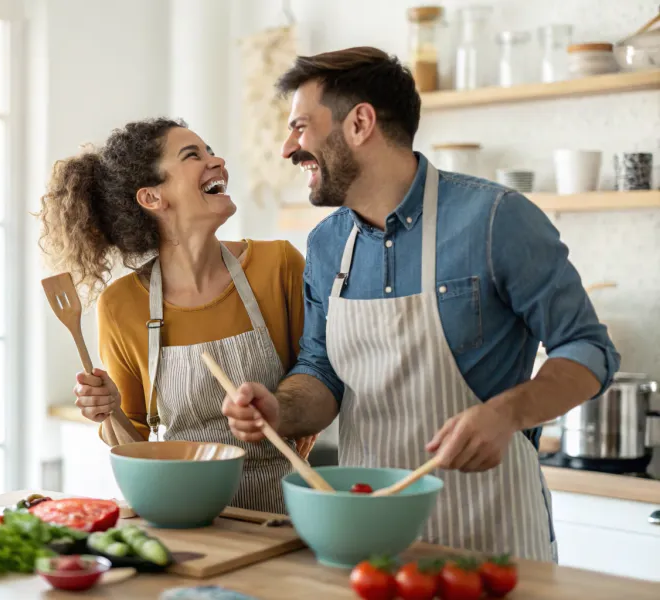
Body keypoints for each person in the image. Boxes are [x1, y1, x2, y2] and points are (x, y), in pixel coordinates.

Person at [222, 47, 620, 560]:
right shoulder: (326, 245)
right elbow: (321, 370)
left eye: (301, 126)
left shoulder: (496, 219)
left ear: (360, 122)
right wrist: (283, 409)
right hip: (371, 535)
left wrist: (505, 413)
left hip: (492, 535)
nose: (287, 148)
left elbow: (588, 350)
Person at [37, 118, 316, 514]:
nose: (217, 161)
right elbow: (134, 445)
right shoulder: (122, 305)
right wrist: (109, 408)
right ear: (152, 198)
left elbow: (316, 372)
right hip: (186, 513)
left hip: (283, 511)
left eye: (211, 150)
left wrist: (302, 416)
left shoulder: (279, 265)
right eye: (193, 155)